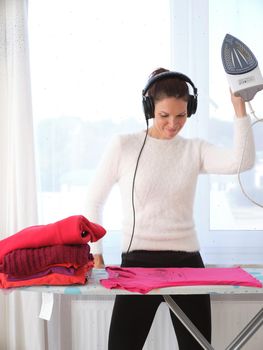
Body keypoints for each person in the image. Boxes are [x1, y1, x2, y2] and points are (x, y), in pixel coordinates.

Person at [86, 68, 255, 350]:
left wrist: (239, 110)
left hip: (187, 262)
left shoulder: (194, 150)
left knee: (197, 347)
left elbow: (243, 162)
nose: (173, 124)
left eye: (181, 116)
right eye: (165, 115)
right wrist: (97, 252)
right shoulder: (124, 146)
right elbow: (93, 201)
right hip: (137, 263)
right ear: (150, 108)